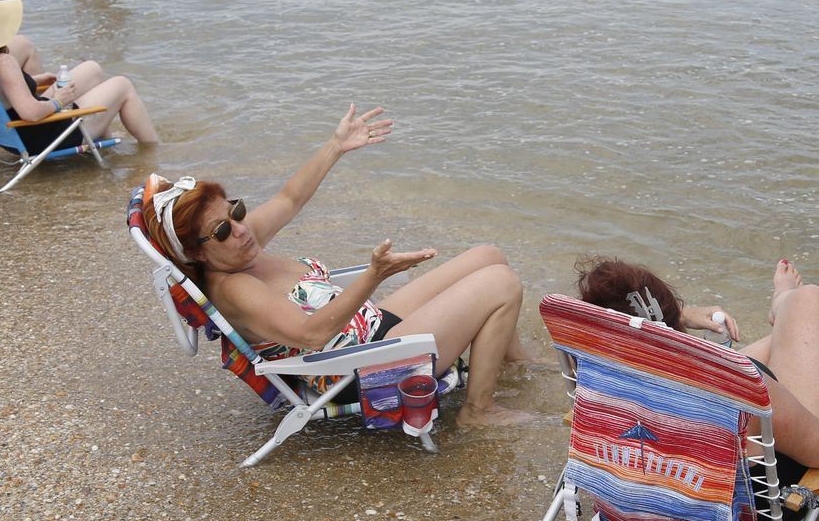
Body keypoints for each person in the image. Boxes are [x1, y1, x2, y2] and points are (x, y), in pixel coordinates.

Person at [142, 107, 537, 428]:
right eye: (223, 229)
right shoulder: (234, 288)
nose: (242, 229)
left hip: (369, 331)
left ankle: (513, 363)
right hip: (359, 370)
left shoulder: (240, 245)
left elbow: (290, 197)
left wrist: (336, 145)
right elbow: (314, 335)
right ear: (197, 253)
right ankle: (479, 411)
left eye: (237, 211)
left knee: (488, 256)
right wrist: (373, 275)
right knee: (500, 284)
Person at [574, 257, 819, 472]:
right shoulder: (732, 384)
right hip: (753, 509)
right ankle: (785, 304)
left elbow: (634, 328)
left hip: (656, 491)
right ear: (668, 317)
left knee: (789, 335)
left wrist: (680, 316)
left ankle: (785, 310)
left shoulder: (596, 373)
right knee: (810, 300)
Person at [0, 0, 157, 152]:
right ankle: (152, 150)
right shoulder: (3, 62)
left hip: (11, 134)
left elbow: (0, 92)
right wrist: (59, 100)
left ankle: (103, 133)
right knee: (123, 85)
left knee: (92, 69)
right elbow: (31, 113)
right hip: (44, 137)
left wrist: (35, 81)